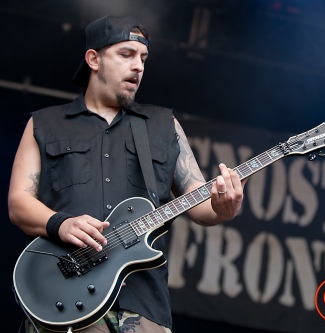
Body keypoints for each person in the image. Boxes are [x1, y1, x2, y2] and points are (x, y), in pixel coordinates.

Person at [8, 15, 247, 333]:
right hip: (63, 300)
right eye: (126, 55)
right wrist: (61, 223)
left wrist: (224, 206)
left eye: (143, 58)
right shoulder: (45, 123)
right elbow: (18, 203)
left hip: (143, 307)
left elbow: (200, 202)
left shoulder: (164, 126)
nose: (138, 66)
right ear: (94, 59)